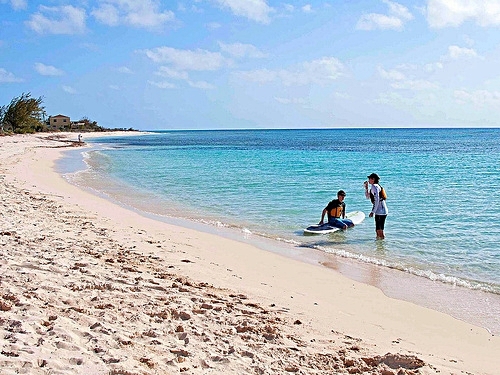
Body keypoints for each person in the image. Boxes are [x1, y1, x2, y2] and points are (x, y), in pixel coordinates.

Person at [364, 173, 388, 239]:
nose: (368, 180)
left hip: (381, 211)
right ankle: (379, 246)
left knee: (379, 230)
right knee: (378, 230)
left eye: (369, 178)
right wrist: (366, 188)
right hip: (381, 211)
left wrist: (372, 211)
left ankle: (381, 246)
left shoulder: (375, 186)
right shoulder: (375, 187)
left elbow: (377, 200)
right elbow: (368, 196)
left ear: (373, 179)